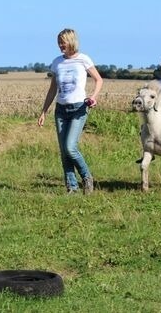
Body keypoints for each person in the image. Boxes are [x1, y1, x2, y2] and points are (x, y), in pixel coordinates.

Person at [38, 28, 103, 195]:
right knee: (64, 151)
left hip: (78, 108)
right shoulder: (57, 62)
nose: (60, 45)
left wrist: (94, 97)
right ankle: (72, 187)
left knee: (70, 147)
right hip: (61, 110)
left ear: (71, 41)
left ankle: (86, 176)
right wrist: (44, 111)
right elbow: (53, 89)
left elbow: (98, 79)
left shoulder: (83, 59)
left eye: (63, 42)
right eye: (58, 42)